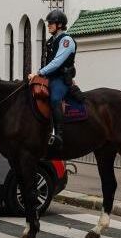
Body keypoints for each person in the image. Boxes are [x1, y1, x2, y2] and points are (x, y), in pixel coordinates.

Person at [28, 8, 77, 149]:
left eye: (51, 23)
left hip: (61, 79)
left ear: (60, 25)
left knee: (55, 99)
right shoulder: (51, 41)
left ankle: (58, 135)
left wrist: (39, 73)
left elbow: (57, 62)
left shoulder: (66, 40)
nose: (48, 25)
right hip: (50, 78)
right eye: (49, 23)